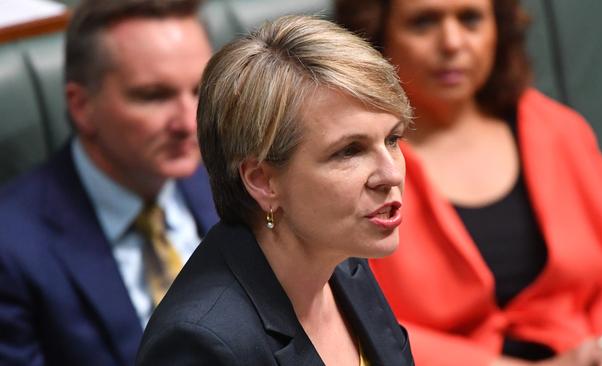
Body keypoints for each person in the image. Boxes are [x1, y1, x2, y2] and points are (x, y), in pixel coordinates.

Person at [335, 0, 602, 365]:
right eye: (423, 23)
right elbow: (356, 321)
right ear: (376, 37)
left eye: (470, 19)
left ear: (498, 29)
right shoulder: (358, 168)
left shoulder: (559, 130)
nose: (452, 42)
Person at [136, 15, 414, 366]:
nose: (390, 174)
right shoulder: (201, 344)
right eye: (349, 151)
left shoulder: (345, 264)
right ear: (262, 181)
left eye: (392, 139)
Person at [0, 0, 216, 365]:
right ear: (82, 106)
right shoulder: (11, 251)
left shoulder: (236, 180)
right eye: (154, 96)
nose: (188, 123)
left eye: (198, 90)